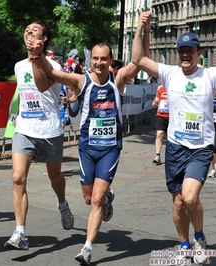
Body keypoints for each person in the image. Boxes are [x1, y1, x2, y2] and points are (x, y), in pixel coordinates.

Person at [30, 24, 151, 266]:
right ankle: (107, 199)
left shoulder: (118, 80)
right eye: (95, 58)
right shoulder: (81, 80)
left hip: (110, 148)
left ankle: (87, 248)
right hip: (86, 147)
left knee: (95, 200)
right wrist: (37, 52)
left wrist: (143, 30)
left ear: (111, 60)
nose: (98, 63)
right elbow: (53, 75)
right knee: (89, 198)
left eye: (103, 59)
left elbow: (141, 60)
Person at [132, 11, 216, 265]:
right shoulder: (169, 73)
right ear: (177, 53)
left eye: (191, 50)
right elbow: (137, 58)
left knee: (190, 197)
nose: (186, 54)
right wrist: (140, 28)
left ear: (199, 53)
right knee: (178, 202)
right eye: (182, 50)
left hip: (200, 149)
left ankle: (199, 238)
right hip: (176, 147)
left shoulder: (211, 75)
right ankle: (184, 244)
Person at [3, 21, 74, 251]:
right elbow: (24, 96)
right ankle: (20, 233)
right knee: (17, 178)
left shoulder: (53, 64)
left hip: (50, 130)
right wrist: (16, 120)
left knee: (55, 178)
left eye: (35, 31)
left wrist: (36, 56)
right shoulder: (17, 66)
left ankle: (62, 204)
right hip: (25, 129)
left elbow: (42, 86)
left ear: (43, 40)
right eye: (26, 29)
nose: (29, 31)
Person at [152, 84, 169, 165]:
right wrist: (155, 101)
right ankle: (157, 155)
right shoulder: (160, 87)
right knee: (159, 134)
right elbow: (157, 97)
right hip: (161, 115)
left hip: (172, 117)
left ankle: (171, 156)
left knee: (171, 138)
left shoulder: (176, 86)